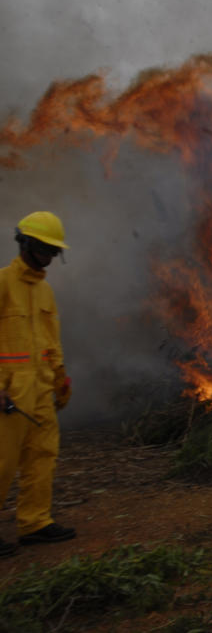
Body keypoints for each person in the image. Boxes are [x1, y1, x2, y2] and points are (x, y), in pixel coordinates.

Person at [0, 211, 76, 558]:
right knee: (2, 462)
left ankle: (35, 523)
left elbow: (51, 341)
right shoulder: (2, 283)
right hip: (9, 394)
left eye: (51, 250)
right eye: (42, 248)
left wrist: (60, 381)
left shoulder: (45, 291)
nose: (47, 256)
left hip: (42, 391)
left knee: (43, 456)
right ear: (26, 244)